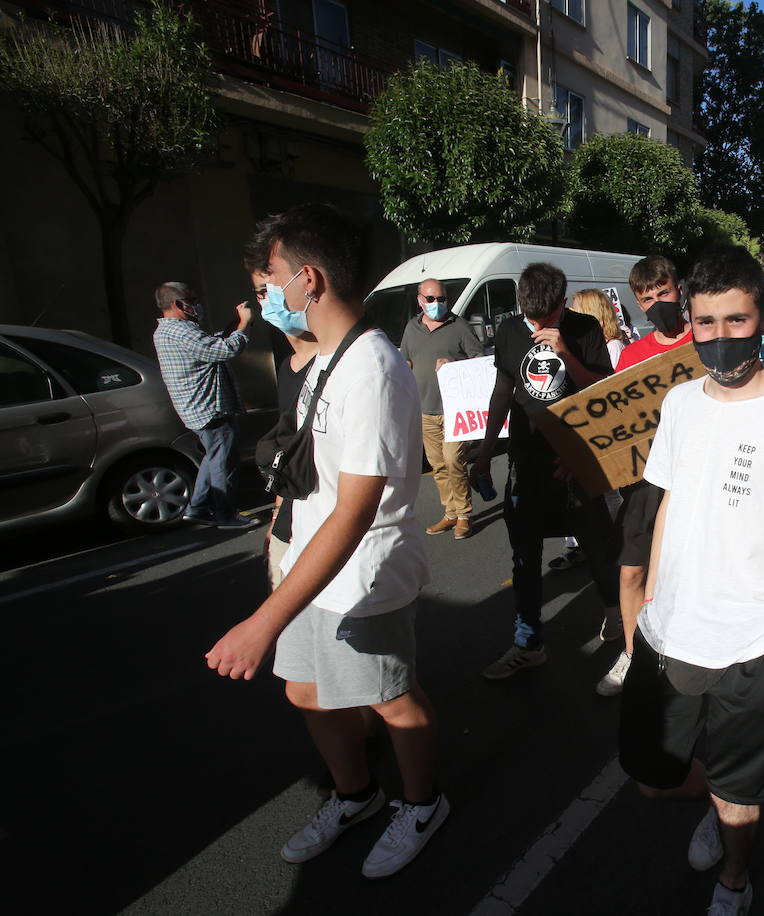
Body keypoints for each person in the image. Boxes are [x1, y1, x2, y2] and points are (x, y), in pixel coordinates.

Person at [206, 203, 445, 878]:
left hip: (363, 574)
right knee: (307, 692)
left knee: (391, 700)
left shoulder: (371, 365)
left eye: (271, 280)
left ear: (308, 279)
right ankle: (355, 796)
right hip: (309, 569)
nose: (265, 297)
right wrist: (277, 548)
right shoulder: (324, 361)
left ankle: (423, 805)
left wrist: (262, 622)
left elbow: (356, 507)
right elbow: (303, 475)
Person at [619, 245, 764, 916]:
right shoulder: (680, 400)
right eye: (706, 323)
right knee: (651, 776)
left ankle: (735, 879)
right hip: (671, 634)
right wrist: (649, 606)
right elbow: (665, 506)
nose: (720, 337)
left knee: (736, 791)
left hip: (750, 646)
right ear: (687, 321)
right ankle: (720, 805)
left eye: (737, 321)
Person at [472, 263, 620, 679]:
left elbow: (601, 393)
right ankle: (527, 642)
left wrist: (566, 353)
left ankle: (617, 618)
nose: (537, 325)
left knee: (596, 546)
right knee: (524, 556)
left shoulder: (585, 328)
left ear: (562, 302)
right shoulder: (508, 332)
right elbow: (503, 391)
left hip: (574, 462)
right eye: (530, 318)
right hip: (526, 463)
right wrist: (485, 452)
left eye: (547, 318)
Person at [597, 255, 692, 696]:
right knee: (632, 572)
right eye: (646, 299)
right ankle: (633, 654)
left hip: (699, 482)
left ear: (681, 289)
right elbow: (618, 425)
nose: (657, 305)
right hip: (648, 482)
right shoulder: (633, 355)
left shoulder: (706, 341)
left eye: (664, 294)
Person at [152, 281, 257, 529]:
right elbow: (224, 350)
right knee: (224, 462)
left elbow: (210, 345)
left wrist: (235, 323)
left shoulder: (170, 330)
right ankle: (226, 515)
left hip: (198, 408)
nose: (197, 306)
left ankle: (198, 508)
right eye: (193, 300)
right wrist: (243, 325)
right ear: (179, 304)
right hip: (209, 407)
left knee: (213, 457)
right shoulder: (180, 331)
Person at [400, 278, 485, 540]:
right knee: (438, 465)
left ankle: (464, 516)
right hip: (425, 410)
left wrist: (453, 364)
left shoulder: (459, 326)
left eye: (442, 298)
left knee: (453, 460)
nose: (438, 304)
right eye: (431, 299)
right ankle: (449, 512)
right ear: (420, 300)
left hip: (454, 411)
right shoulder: (411, 328)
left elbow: (479, 361)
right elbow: (406, 361)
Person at [251, 267, 318, 586]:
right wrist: (276, 516)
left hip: (320, 529)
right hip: (289, 524)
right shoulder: (287, 365)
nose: (266, 301)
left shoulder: (334, 363)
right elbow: (286, 451)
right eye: (260, 293)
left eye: (271, 290)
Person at [571, 288, 631, 368]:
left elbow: (616, 379)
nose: (572, 317)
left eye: (576, 312)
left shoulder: (613, 347)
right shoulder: (592, 347)